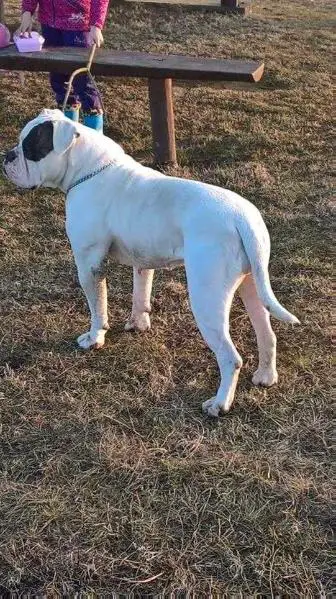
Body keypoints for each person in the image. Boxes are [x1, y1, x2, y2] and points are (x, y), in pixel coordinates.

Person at [17, 1, 109, 132]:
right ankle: (68, 135)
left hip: (79, 25)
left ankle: (95, 138)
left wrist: (96, 24)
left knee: (83, 82)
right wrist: (27, 11)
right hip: (50, 25)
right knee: (59, 81)